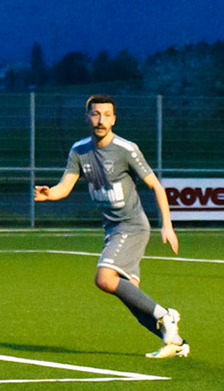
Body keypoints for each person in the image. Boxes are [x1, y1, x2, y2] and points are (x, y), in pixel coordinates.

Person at [35, 95, 189, 358]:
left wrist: (167, 226)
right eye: (96, 114)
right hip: (112, 228)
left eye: (107, 115)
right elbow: (65, 186)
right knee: (133, 300)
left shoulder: (126, 149)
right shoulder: (79, 151)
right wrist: (50, 194)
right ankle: (176, 342)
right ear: (87, 117)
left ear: (114, 119)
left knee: (104, 278)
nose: (101, 120)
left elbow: (156, 186)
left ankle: (166, 316)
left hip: (132, 225)